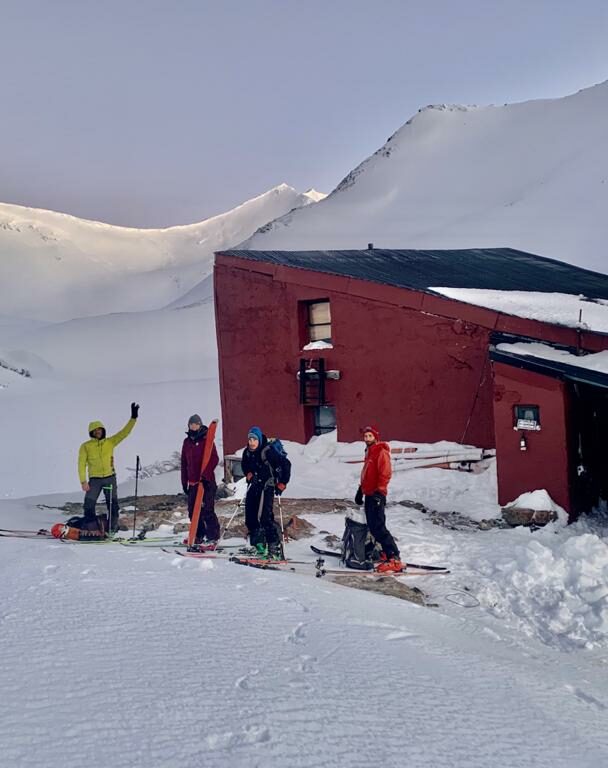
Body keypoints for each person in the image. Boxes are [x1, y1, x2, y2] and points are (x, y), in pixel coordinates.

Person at [78, 402, 139, 535]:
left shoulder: (110, 442)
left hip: (110, 478)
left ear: (103, 430)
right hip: (94, 480)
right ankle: (91, 528)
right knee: (89, 504)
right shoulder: (85, 446)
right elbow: (81, 463)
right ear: (91, 432)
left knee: (113, 505)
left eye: (99, 429)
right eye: (95, 430)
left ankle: (112, 529)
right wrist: (83, 481)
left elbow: (125, 433)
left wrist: (133, 418)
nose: (98, 432)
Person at [354, 424, 402, 573]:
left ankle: (394, 558)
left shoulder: (381, 451)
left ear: (375, 437)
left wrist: (380, 493)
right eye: (365, 436)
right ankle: (384, 552)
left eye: (370, 436)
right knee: (373, 526)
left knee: (378, 527)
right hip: (369, 494)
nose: (367, 438)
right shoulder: (369, 452)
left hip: (376, 495)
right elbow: (367, 475)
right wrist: (360, 490)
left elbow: (385, 473)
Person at [240, 426, 291, 559]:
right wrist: (249, 474)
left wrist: (282, 483)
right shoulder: (247, 452)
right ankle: (259, 545)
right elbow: (244, 465)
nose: (251, 442)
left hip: (267, 486)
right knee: (250, 517)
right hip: (255, 485)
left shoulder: (268, 451)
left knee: (265, 517)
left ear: (259, 440)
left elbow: (286, 465)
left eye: (254, 439)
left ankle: (275, 548)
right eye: (250, 439)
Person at [181, 414, 220, 546]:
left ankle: (213, 537)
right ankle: (198, 535)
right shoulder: (187, 442)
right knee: (193, 512)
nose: (193, 426)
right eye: (191, 424)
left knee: (207, 510)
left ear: (200, 425)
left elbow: (214, 459)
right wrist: (184, 482)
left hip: (207, 482)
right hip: (193, 483)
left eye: (196, 424)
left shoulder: (206, 439)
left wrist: (206, 474)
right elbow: (184, 463)